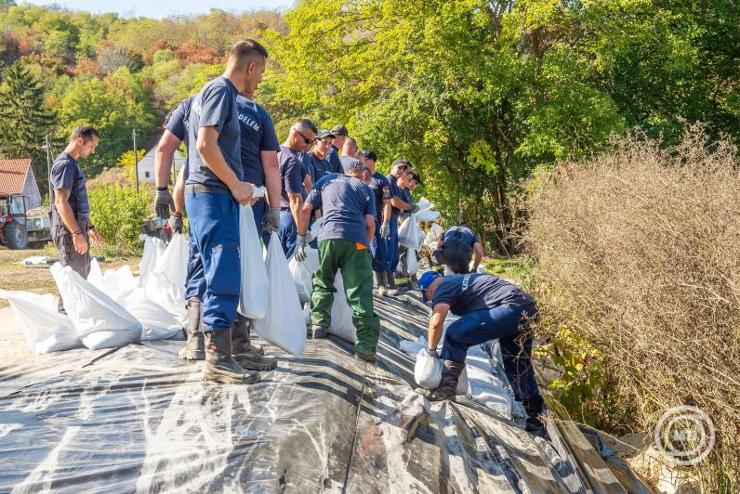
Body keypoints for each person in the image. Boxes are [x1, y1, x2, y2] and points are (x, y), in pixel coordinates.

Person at [184, 39, 266, 384]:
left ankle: (229, 350)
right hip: (213, 194)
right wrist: (235, 184)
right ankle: (217, 358)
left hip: (208, 194)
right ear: (250, 67)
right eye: (260, 72)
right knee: (223, 269)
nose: (259, 80)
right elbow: (205, 145)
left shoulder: (209, 92)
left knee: (216, 268)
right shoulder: (221, 92)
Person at [417, 271, 545, 433]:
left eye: (428, 297)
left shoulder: (442, 287)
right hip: (528, 309)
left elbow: (436, 322)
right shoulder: (458, 280)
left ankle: (445, 389)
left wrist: (431, 351)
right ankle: (537, 420)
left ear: (428, 289)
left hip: (510, 307)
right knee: (517, 363)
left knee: (455, 335)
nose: (431, 300)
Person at [294, 161, 380, 362]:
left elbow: (306, 209)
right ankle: (366, 347)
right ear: (360, 174)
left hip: (328, 238)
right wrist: (365, 247)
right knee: (360, 293)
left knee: (323, 281)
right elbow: (370, 223)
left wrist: (301, 237)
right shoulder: (364, 188)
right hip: (356, 241)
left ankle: (318, 326)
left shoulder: (326, 181)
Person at [51, 125, 103, 313]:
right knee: (72, 278)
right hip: (68, 231)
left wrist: (88, 226)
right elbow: (61, 201)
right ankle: (65, 322)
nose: (93, 150)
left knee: (81, 274)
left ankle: (74, 320)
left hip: (78, 228)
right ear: (80, 140)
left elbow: (76, 201)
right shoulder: (64, 165)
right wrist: (75, 232)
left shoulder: (73, 164)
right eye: (92, 145)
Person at [278, 119, 317, 259]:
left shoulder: (274, 153)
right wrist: (301, 234)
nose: (309, 146)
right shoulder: (292, 161)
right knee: (292, 270)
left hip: (274, 219)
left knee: (276, 270)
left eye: (312, 142)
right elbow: (294, 199)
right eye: (307, 141)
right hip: (290, 219)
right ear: (295, 134)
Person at [360, 150, 393, 295]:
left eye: (365, 160)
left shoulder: (381, 181)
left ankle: (381, 284)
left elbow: (387, 203)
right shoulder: (358, 177)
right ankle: (362, 282)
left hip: (376, 220)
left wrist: (386, 222)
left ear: (372, 161)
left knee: (380, 250)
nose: (362, 162)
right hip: (360, 220)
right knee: (360, 248)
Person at [385, 160, 415, 295]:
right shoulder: (389, 180)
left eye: (405, 170)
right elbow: (395, 202)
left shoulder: (395, 183)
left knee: (393, 254)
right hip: (389, 220)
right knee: (389, 253)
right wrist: (410, 207)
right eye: (400, 168)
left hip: (393, 220)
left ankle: (391, 283)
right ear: (393, 167)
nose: (402, 171)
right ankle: (387, 284)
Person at [397, 171, 421, 285]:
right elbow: (400, 210)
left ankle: (410, 276)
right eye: (415, 183)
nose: (415, 186)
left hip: (408, 226)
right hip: (402, 226)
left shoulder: (407, 192)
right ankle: (401, 280)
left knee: (411, 250)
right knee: (402, 252)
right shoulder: (401, 191)